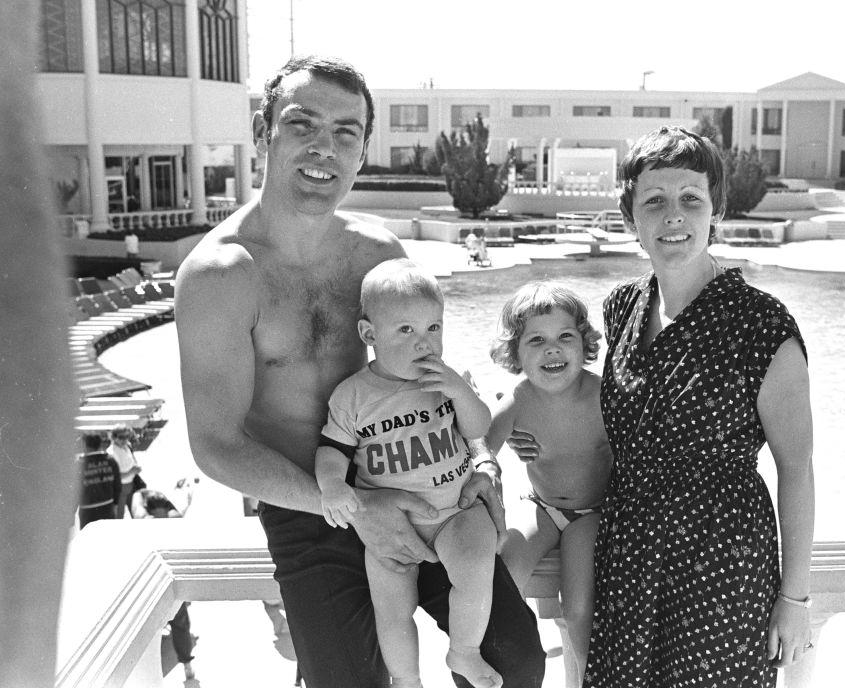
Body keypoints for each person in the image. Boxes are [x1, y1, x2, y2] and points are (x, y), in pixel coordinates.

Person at [174, 55, 544, 688]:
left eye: (347, 132)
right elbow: (216, 445)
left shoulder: (379, 254)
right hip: (306, 508)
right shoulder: (221, 276)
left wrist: (480, 461)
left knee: (513, 660)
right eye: (303, 124)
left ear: (364, 149)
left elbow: (429, 381)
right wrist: (347, 506)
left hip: (422, 485)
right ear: (264, 130)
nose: (325, 148)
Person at [582, 126, 815, 687]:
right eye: (654, 201)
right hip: (630, 557)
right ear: (629, 217)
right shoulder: (621, 309)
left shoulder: (762, 326)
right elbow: (616, 425)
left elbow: (796, 468)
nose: (674, 217)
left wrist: (795, 597)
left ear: (716, 211)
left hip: (722, 566)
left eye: (691, 199)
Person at [316, 258, 500, 688]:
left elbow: (478, 429)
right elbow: (332, 451)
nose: (425, 343)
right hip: (389, 525)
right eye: (407, 331)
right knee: (392, 611)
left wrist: (458, 390)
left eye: (434, 328)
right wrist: (330, 485)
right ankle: (407, 679)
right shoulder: (353, 395)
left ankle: (464, 652)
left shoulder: (447, 380)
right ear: (369, 335)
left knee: (477, 566)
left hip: (455, 512)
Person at [485, 282, 612, 688]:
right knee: (498, 583)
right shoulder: (517, 400)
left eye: (564, 337)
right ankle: (517, 673)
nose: (552, 349)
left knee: (578, 612)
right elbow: (481, 451)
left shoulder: (603, 395)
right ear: (515, 352)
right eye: (536, 340)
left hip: (591, 514)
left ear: (584, 343)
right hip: (540, 506)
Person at [131, 480, 199, 681]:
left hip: (150, 582)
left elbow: (137, 507)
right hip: (171, 581)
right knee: (180, 625)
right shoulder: (173, 518)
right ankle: (187, 664)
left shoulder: (143, 517)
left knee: (149, 631)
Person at [77, 433, 122, 528]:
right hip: (108, 507)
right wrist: (115, 504)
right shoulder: (110, 461)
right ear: (99, 445)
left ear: (85, 445)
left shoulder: (79, 464)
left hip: (87, 511)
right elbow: (117, 485)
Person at [107, 424, 142, 518]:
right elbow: (114, 476)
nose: (125, 440)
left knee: (137, 513)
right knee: (119, 516)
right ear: (114, 437)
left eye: (127, 436)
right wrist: (132, 472)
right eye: (121, 437)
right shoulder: (111, 453)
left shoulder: (126, 447)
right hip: (120, 488)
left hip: (131, 485)